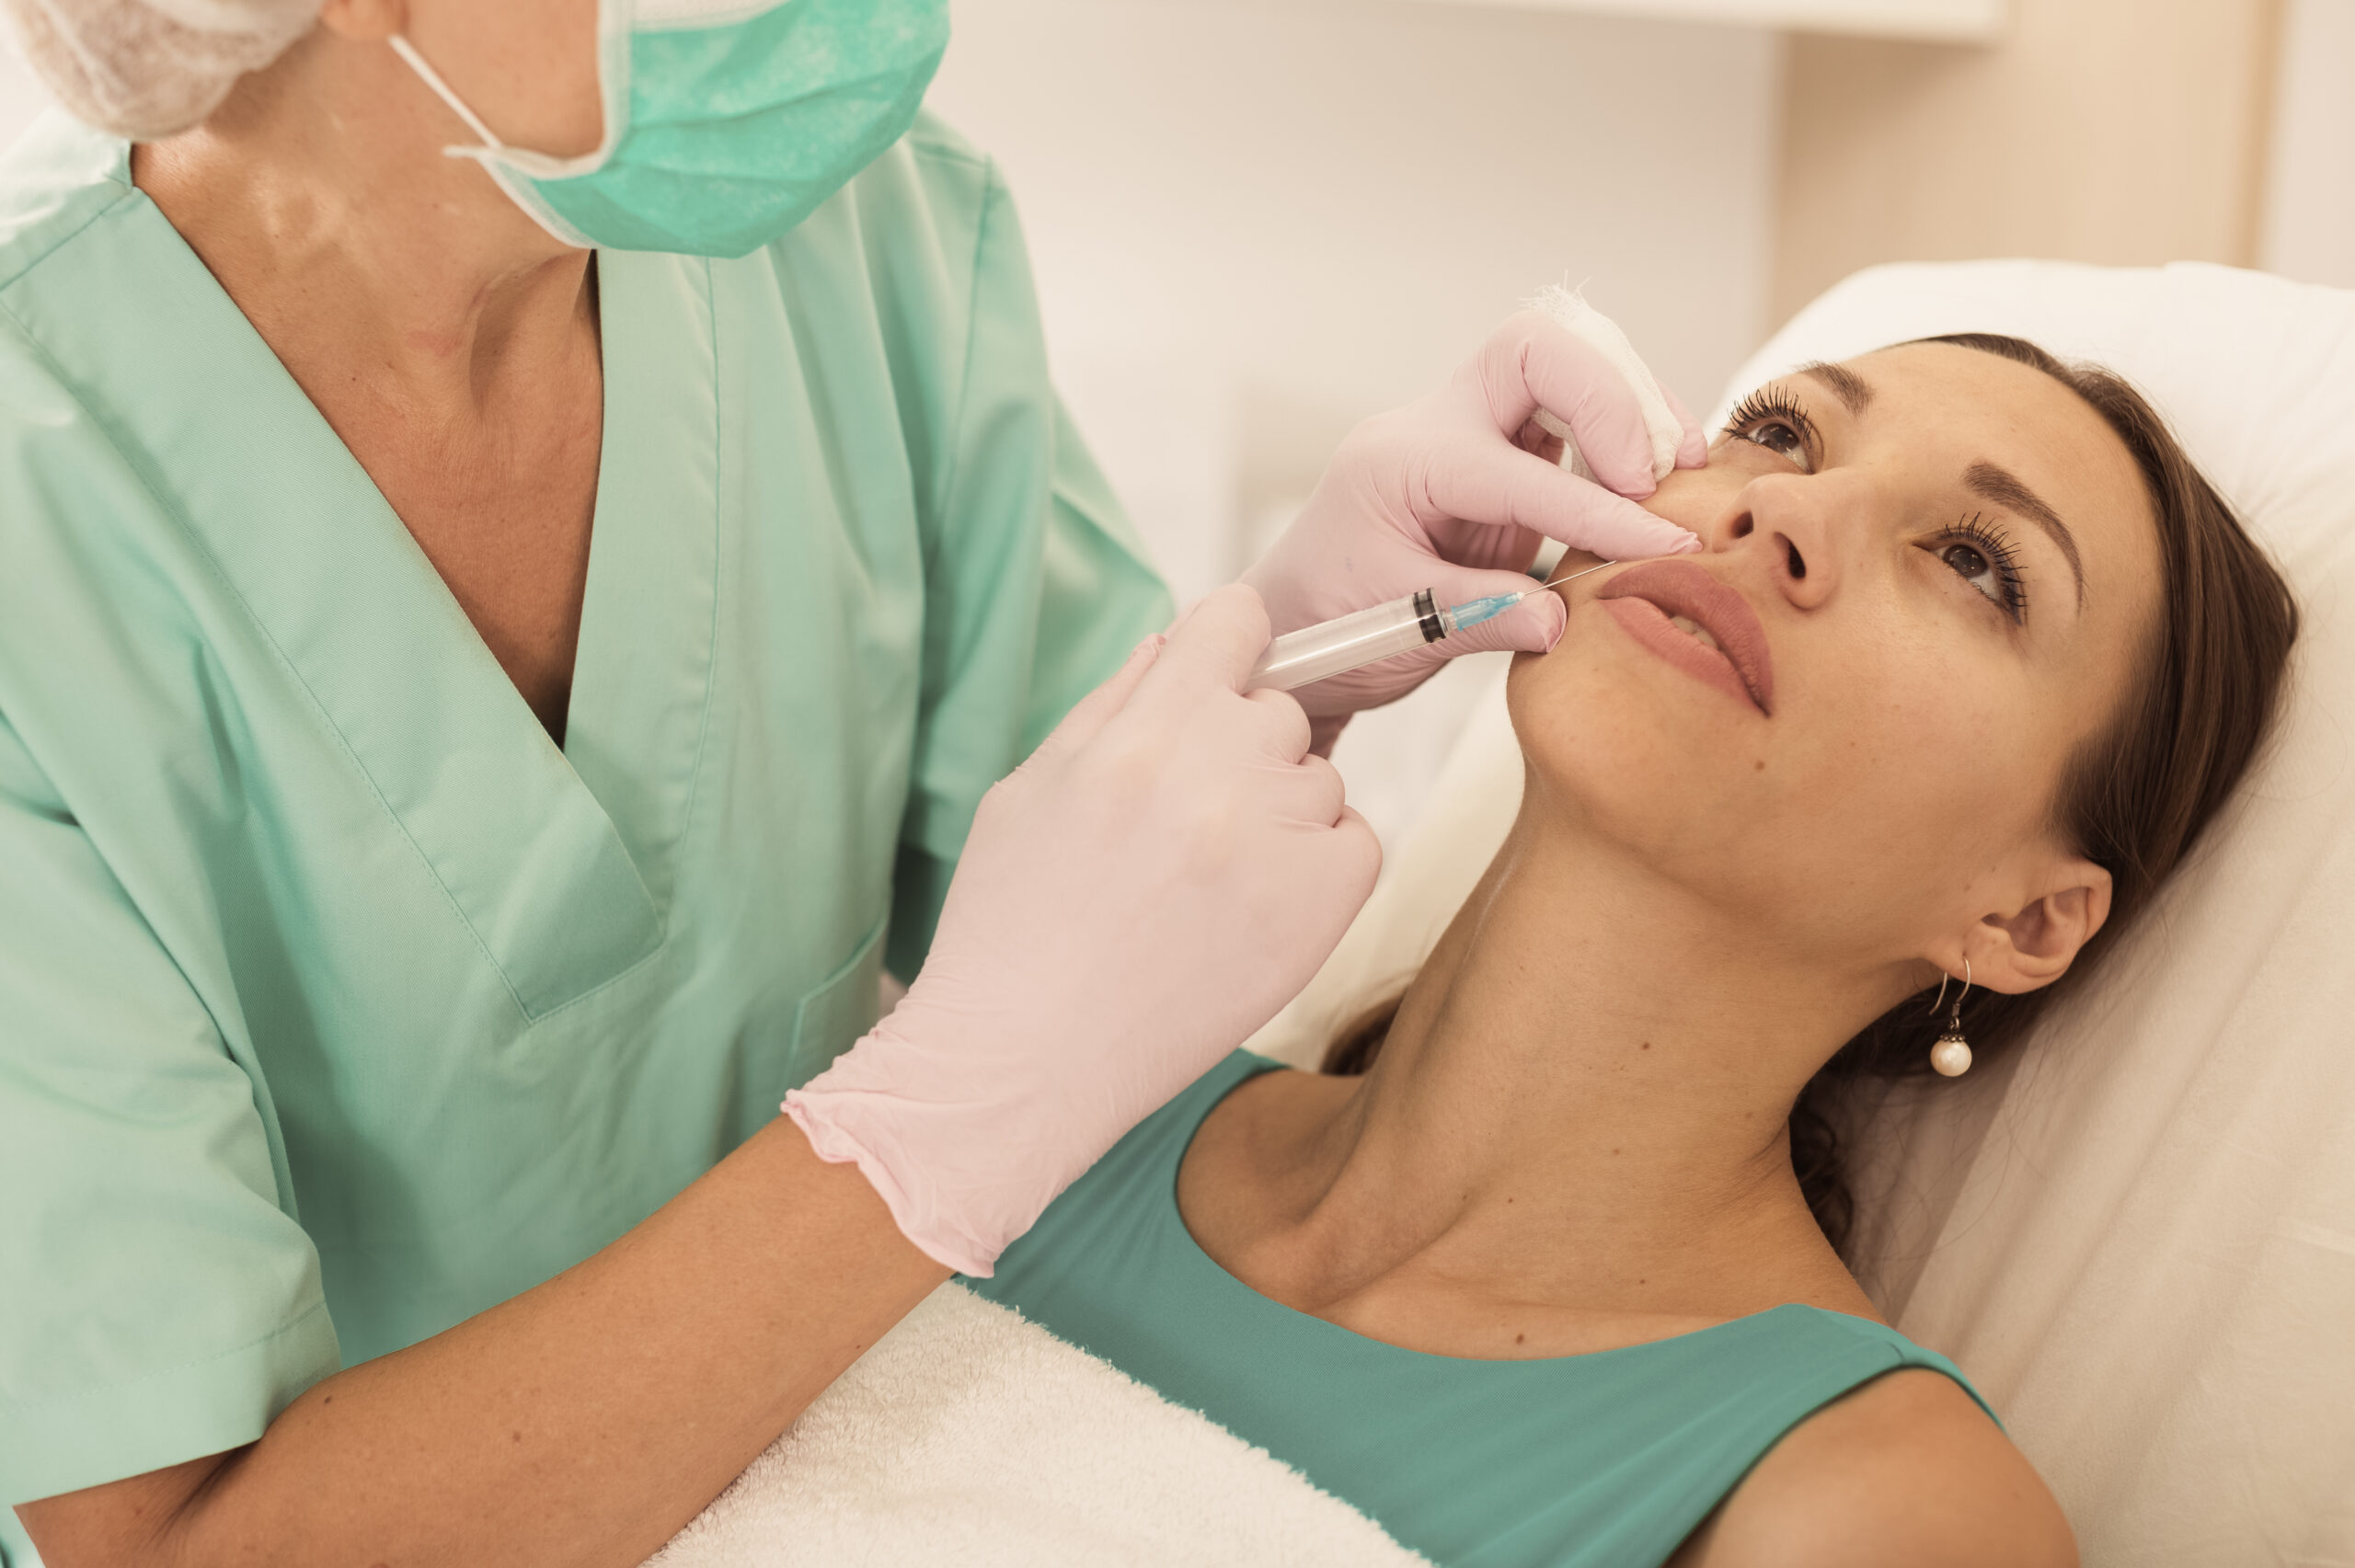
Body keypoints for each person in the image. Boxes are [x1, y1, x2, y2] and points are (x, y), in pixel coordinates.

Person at [0, 0, 1716, 1563]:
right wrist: (923, 1137)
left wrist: (1293, 644)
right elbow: (162, 1538)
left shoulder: (862, 238)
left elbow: (1089, 906)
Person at [971, 335, 2300, 1567]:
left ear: (2021, 920)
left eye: (1974, 563)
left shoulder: (1871, 1507)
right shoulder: (1045, 1101)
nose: (1780, 507)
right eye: (1782, 433)